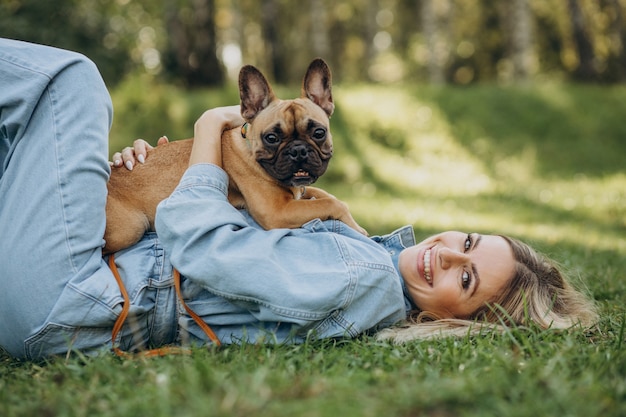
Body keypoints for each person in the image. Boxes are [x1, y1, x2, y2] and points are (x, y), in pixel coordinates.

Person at [0, 39, 598, 360]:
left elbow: (208, 249)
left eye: (464, 281)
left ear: (455, 321)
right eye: (467, 242)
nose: (444, 256)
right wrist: (156, 166)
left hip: (73, 298)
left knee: (69, 80)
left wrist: (209, 131)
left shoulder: (357, 277)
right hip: (78, 286)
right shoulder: (363, 264)